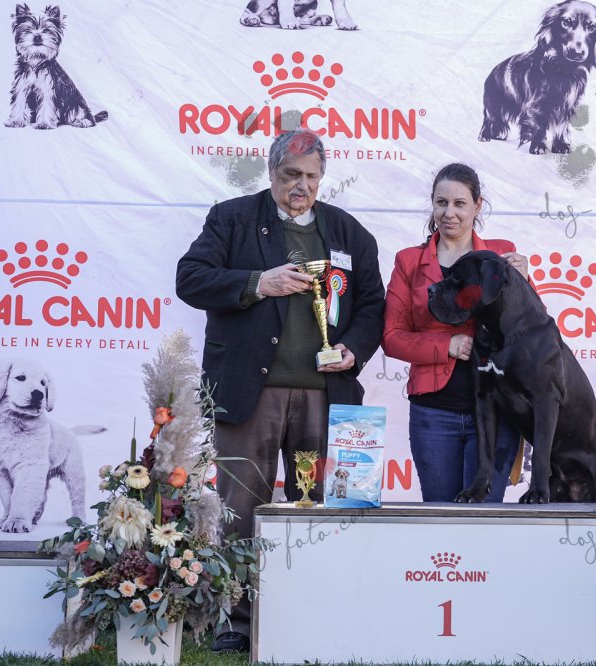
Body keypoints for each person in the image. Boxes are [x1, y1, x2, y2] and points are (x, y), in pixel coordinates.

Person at [176, 129, 384, 652]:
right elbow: (190, 278)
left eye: (312, 176)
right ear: (271, 173)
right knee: (241, 508)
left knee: (325, 508)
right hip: (251, 392)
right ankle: (237, 621)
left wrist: (355, 348)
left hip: (327, 395)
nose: (302, 186)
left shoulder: (349, 232)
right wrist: (256, 283)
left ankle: (320, 612)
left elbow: (373, 307)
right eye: (291, 175)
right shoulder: (231, 218)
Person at [382, 163, 527, 503]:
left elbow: (529, 331)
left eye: (460, 203)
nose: (449, 213)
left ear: (478, 206)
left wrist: (522, 285)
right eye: (441, 203)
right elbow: (391, 337)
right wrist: (446, 345)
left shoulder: (501, 254)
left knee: (485, 518)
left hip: (497, 409)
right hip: (433, 411)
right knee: (439, 518)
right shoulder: (408, 261)